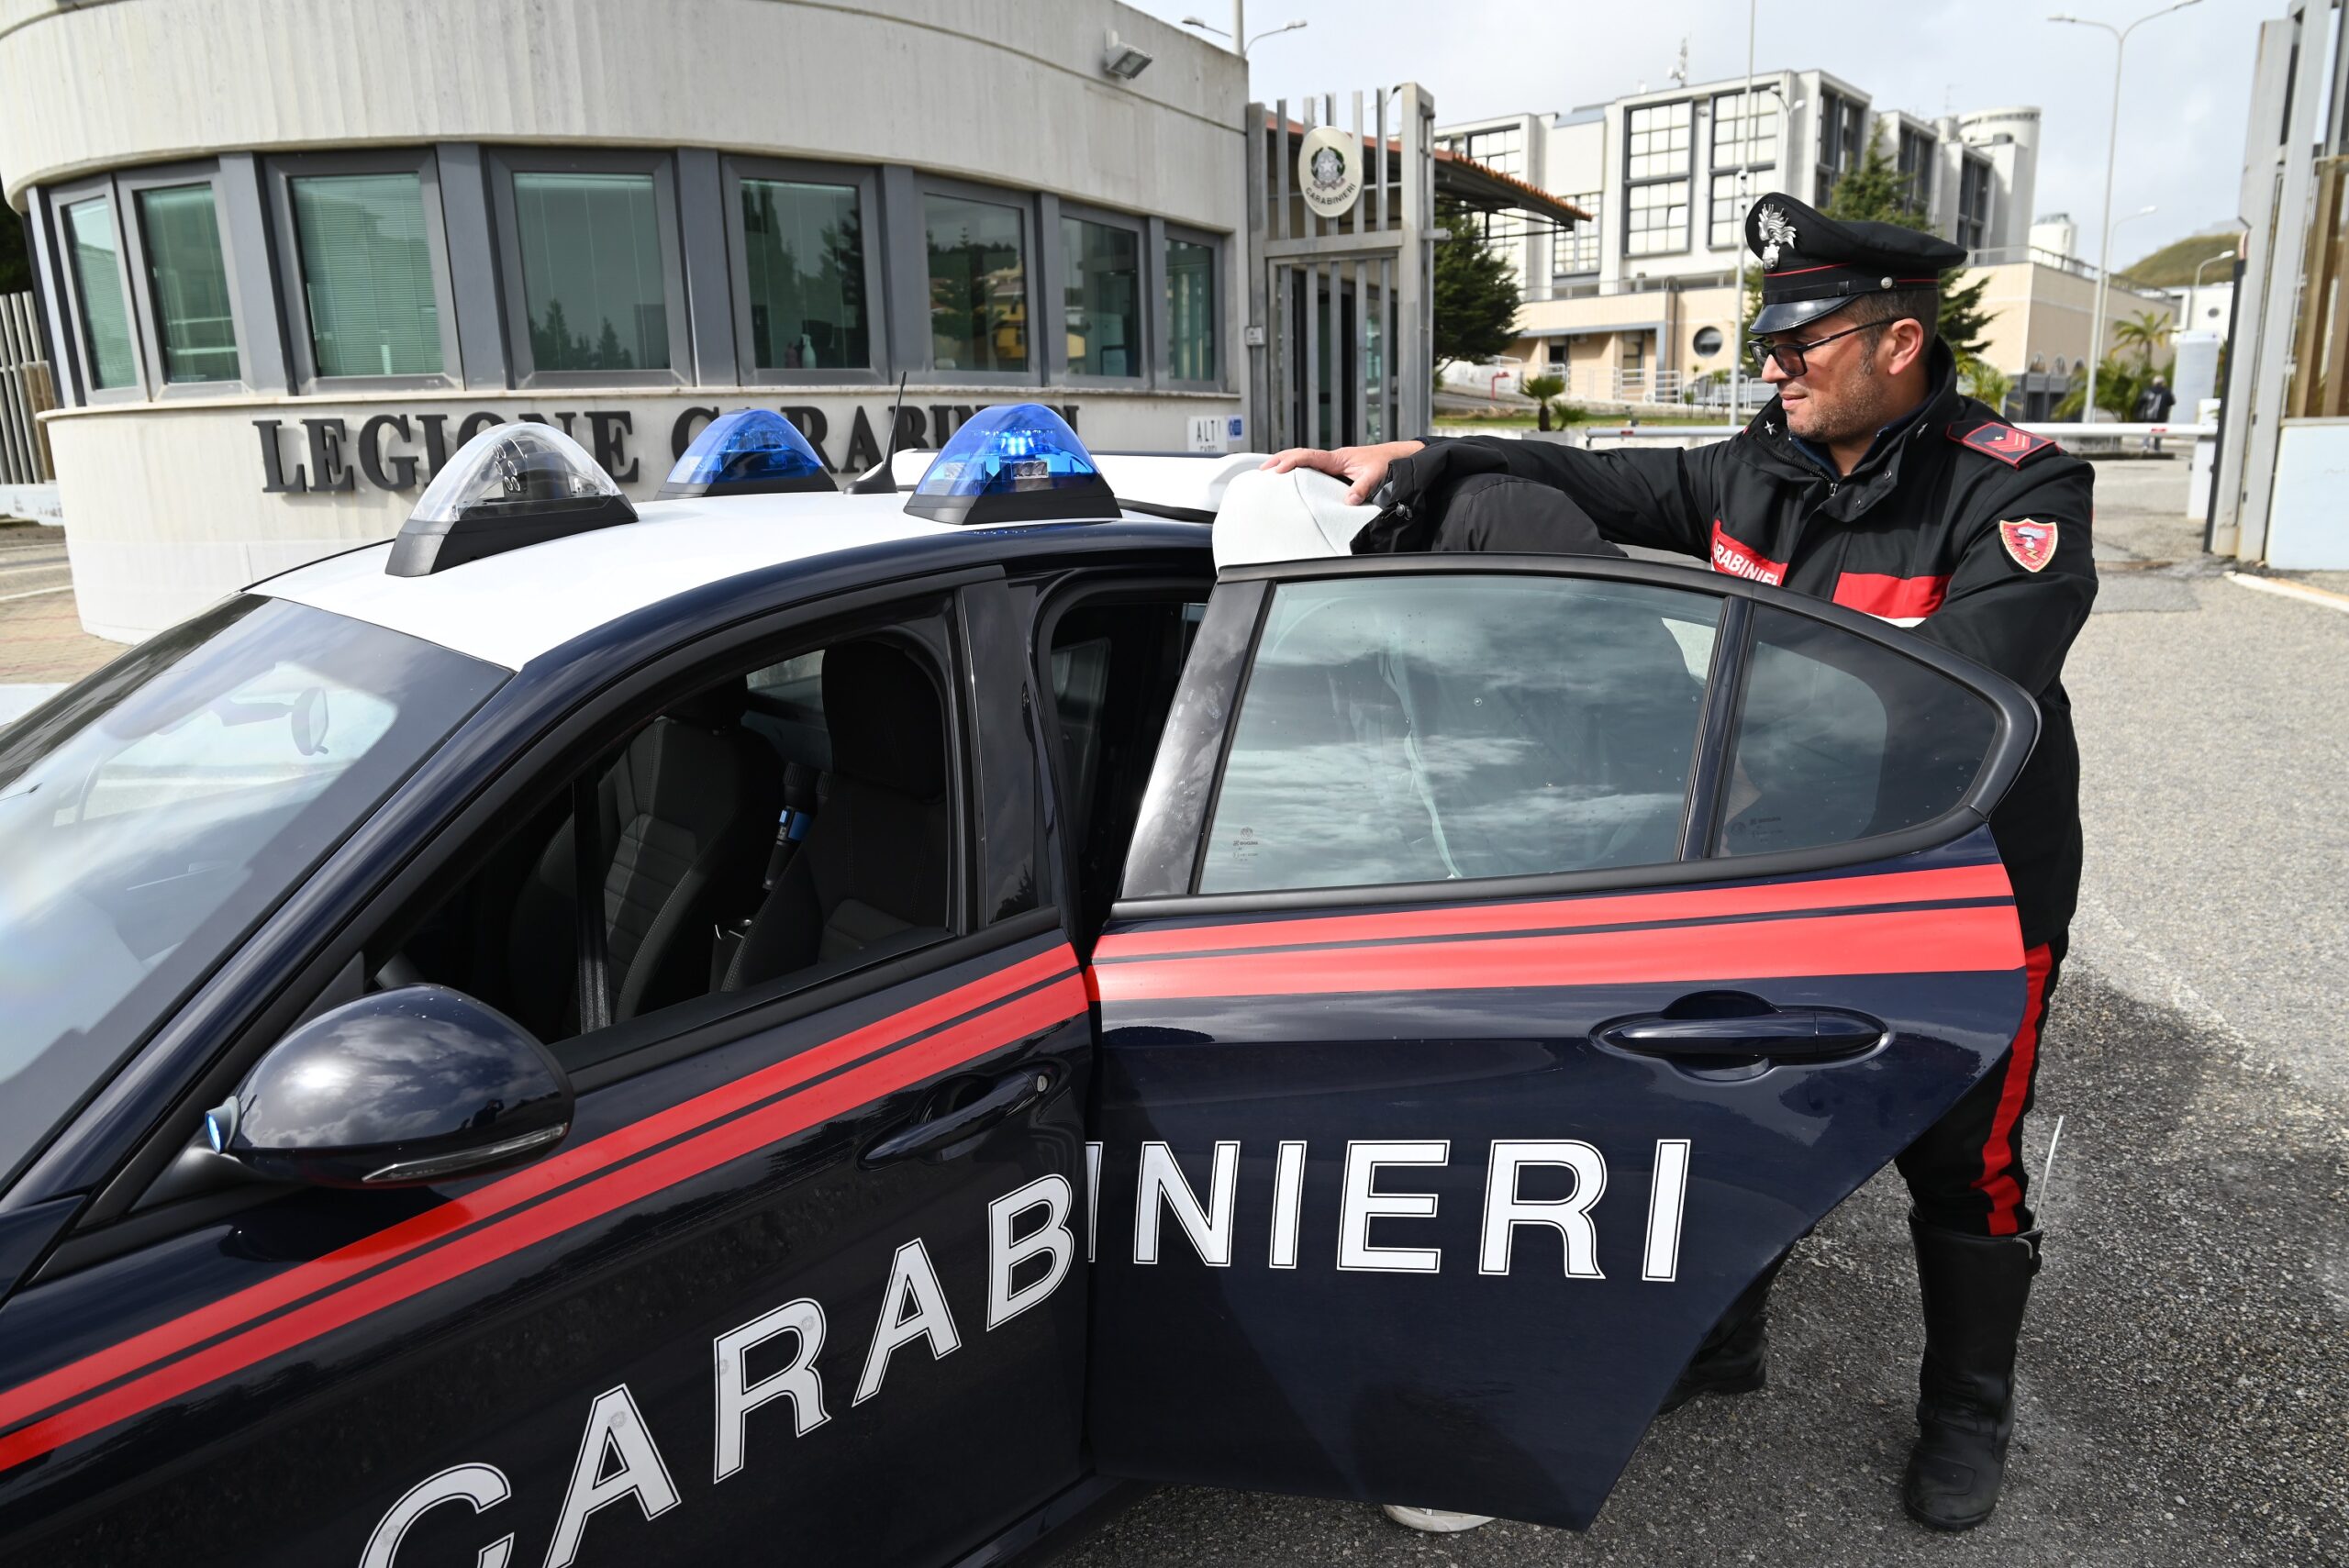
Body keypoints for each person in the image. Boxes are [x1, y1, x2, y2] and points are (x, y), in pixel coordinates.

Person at [1266, 191, 2097, 1538]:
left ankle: (1966, 1410)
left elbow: (1970, 687)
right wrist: (1433, 454)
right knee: (1756, 1110)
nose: (1771, 365)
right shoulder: (1762, 461)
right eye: (1769, 344)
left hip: (1969, 879)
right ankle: (1721, 1339)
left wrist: (1718, 749)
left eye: (1800, 343)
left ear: (1897, 344)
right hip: (1795, 866)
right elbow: (1590, 482)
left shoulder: (2020, 489)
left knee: (1964, 1158)